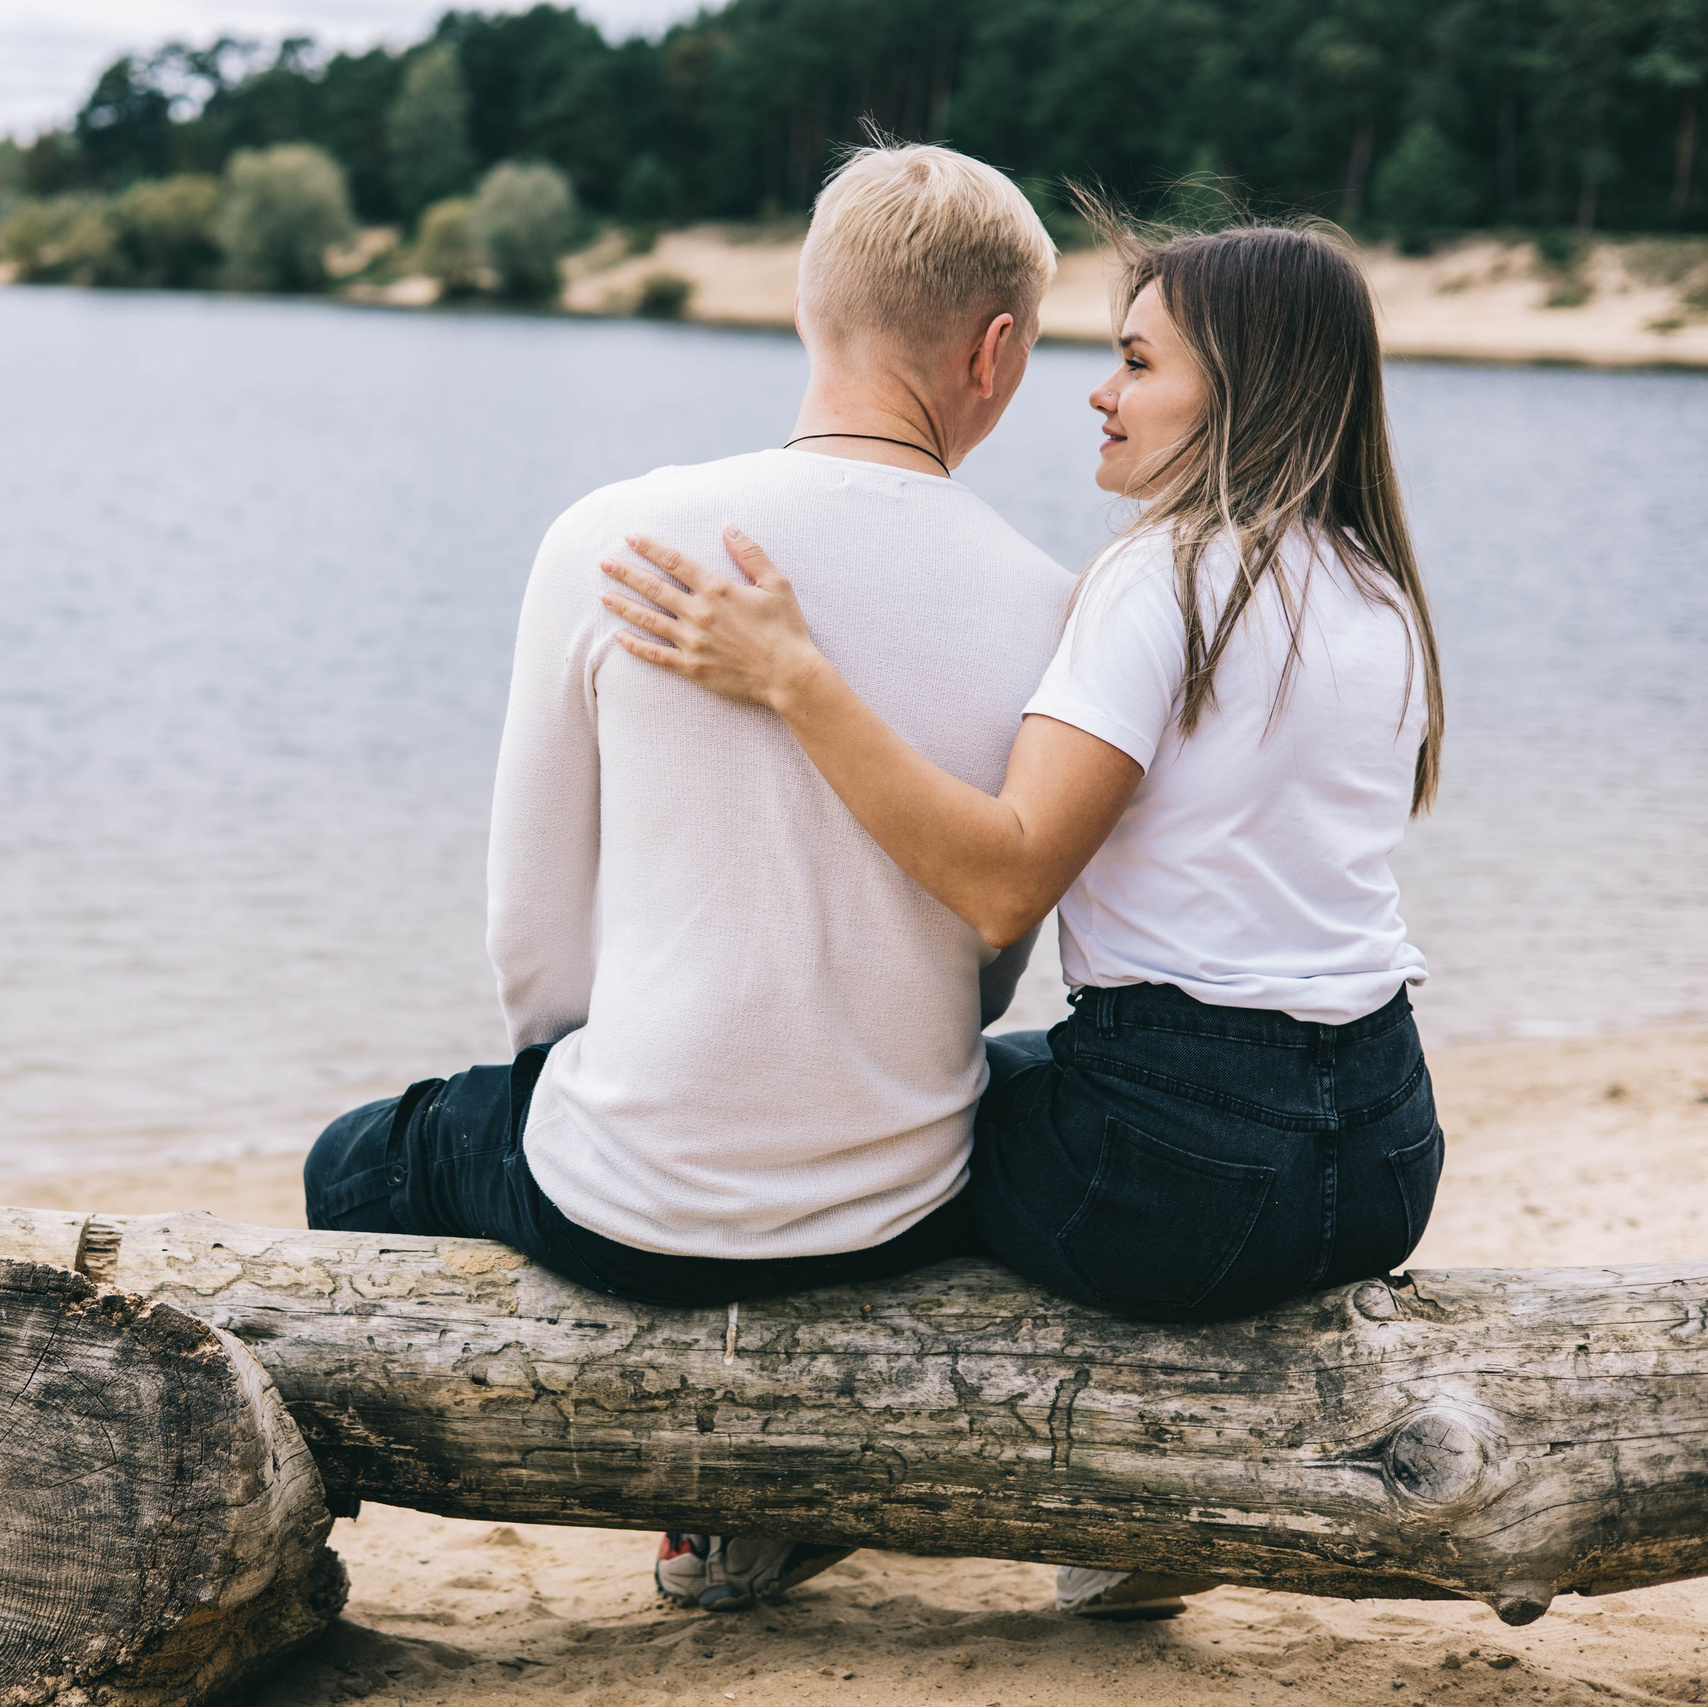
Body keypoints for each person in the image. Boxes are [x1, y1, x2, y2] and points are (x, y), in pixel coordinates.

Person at [601, 216, 1449, 1619]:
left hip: (1183, 1173)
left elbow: (1003, 878)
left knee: (870, 1144)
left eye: (1139, 363)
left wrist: (793, 677)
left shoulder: (1161, 577)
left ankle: (773, 1504)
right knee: (1007, 1088)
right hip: (1384, 1156)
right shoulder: (1376, 592)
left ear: (1240, 387)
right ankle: (1144, 1519)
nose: (1101, 394)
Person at [302, 143, 1072, 1609]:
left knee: (353, 1163)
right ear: (995, 352)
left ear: (806, 304)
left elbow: (533, 928)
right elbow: (992, 951)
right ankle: (754, 1508)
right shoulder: (1051, 603)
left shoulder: (614, 539)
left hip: (633, 1206)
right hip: (900, 1204)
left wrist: (606, 1082)